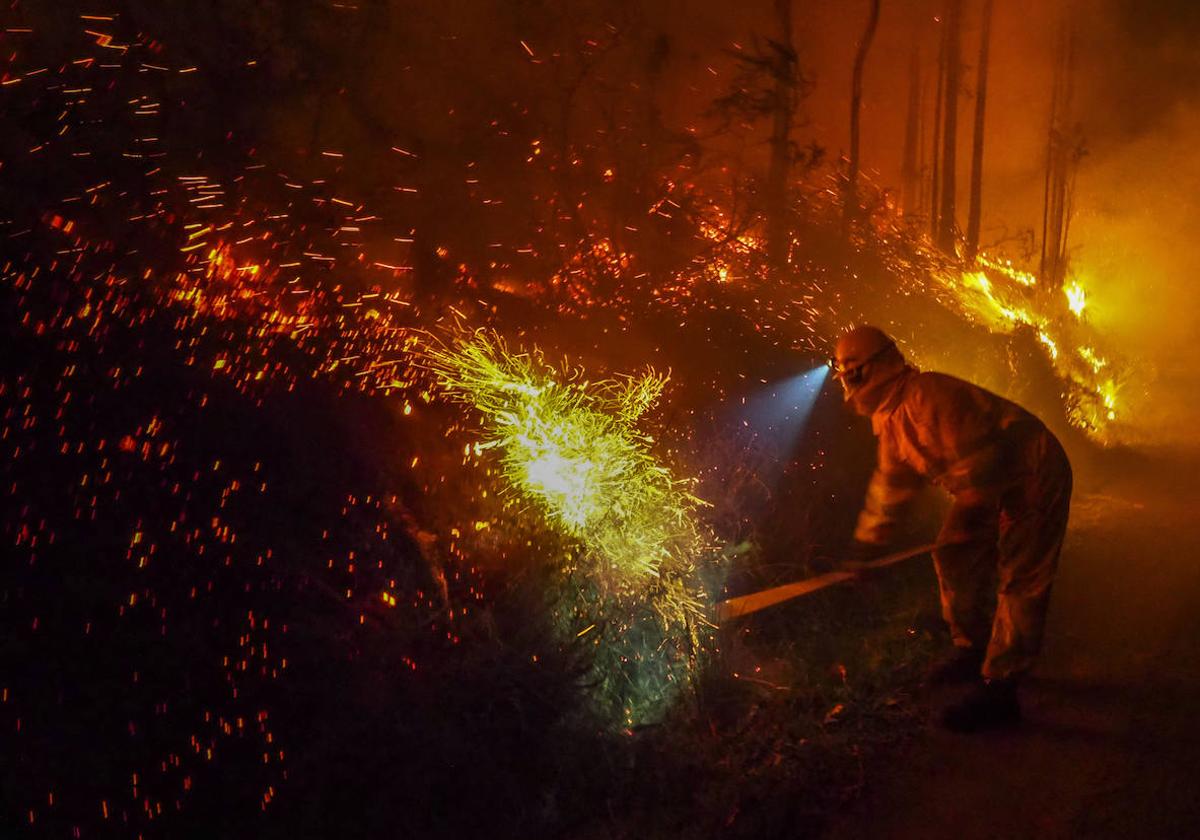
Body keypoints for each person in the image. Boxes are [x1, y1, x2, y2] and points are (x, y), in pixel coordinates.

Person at [833, 325, 1072, 732]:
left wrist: (969, 521)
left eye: (848, 373)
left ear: (863, 372)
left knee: (1021, 577)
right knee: (951, 557)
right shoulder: (894, 415)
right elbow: (891, 490)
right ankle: (973, 648)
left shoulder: (926, 398)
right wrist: (865, 550)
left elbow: (982, 467)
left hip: (1034, 471)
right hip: (994, 481)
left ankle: (1001, 688)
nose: (847, 384)